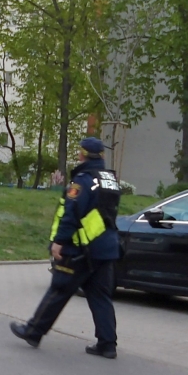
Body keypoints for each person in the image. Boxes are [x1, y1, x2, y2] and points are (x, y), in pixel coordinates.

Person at [10, 137, 122, 358]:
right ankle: (107, 345)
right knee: (100, 296)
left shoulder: (81, 181)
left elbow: (71, 214)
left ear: (82, 155)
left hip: (81, 248)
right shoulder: (110, 179)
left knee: (59, 289)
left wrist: (59, 242)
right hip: (106, 248)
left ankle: (33, 331)